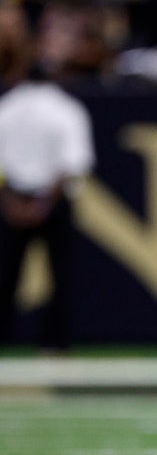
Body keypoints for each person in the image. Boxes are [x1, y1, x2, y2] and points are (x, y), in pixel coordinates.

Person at [0, 56, 96, 351]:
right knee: (59, 274)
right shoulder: (66, 109)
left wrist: (11, 203)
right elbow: (74, 163)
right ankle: (54, 346)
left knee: (6, 275)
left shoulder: (7, 107)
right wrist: (42, 205)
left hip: (13, 200)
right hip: (51, 202)